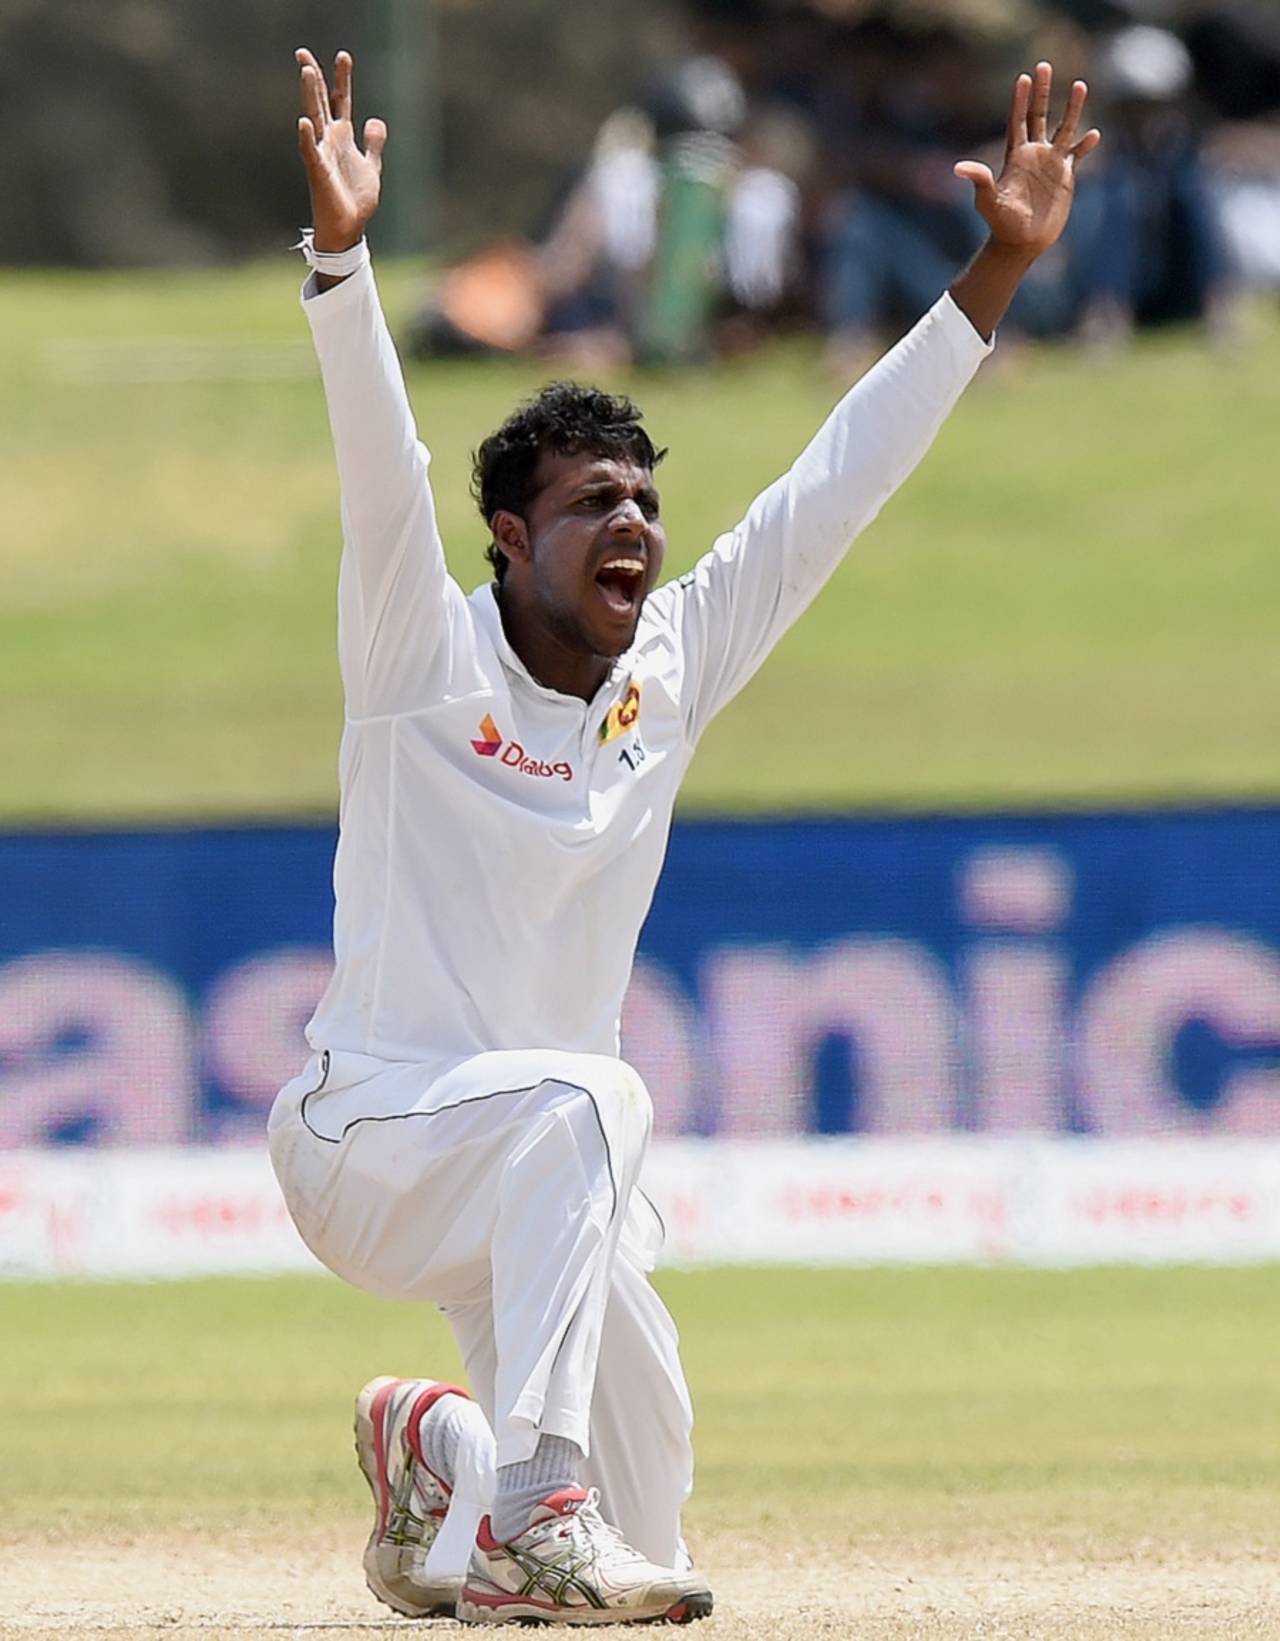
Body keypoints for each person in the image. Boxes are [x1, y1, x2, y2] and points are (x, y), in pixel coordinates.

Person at [268, 46, 1099, 1628]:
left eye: (645, 502)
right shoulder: (418, 658)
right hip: (367, 1137)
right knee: (596, 1101)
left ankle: (442, 1459)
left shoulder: (671, 670)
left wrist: (998, 265)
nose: (635, 527)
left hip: (521, 1177)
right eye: (594, 504)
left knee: (641, 1544)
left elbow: (833, 487)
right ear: (511, 540)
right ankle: (535, 1498)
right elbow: (379, 469)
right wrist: (342, 262)